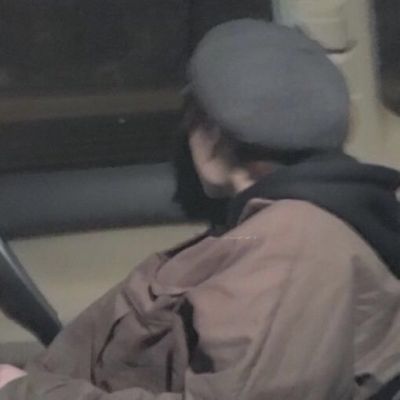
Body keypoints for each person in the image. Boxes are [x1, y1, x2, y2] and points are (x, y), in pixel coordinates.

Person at [1, 19, 400, 400]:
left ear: (212, 136)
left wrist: (20, 391)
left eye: (192, 116)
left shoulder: (294, 249)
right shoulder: (279, 226)